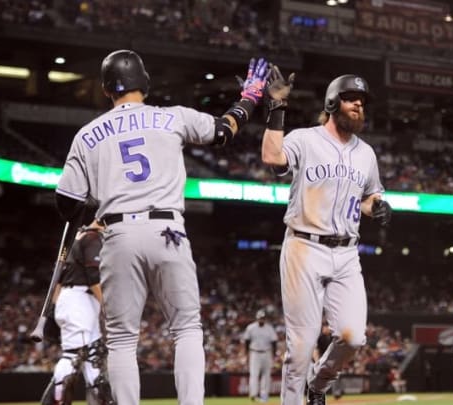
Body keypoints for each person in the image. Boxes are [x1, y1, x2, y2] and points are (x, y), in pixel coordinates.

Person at [55, 49, 270, 405]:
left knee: (122, 339)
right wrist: (248, 99)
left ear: (107, 88)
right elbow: (222, 131)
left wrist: (91, 211)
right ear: (145, 82)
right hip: (167, 230)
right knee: (186, 329)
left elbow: (67, 203)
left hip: (118, 234)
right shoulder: (172, 117)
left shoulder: (87, 134)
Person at [261, 68, 392, 405]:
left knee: (353, 337)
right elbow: (273, 159)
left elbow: (367, 197)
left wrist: (376, 207)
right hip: (304, 246)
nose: (359, 105)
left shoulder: (366, 154)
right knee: (301, 345)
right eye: (352, 99)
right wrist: (277, 109)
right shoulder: (306, 139)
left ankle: (317, 385)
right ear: (333, 101)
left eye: (362, 102)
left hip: (347, 253)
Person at [41, 220, 114, 405]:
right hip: (79, 301)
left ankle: (100, 401)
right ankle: (54, 402)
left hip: (75, 300)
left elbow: (58, 278)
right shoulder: (92, 238)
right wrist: (108, 307)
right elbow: (93, 278)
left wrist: (52, 310)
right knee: (74, 356)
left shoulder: (78, 237)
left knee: (94, 356)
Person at [243, 309, 279, 402]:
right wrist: (246, 354)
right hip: (254, 353)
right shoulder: (251, 327)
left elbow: (274, 342)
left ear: (265, 318)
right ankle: (253, 395)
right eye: (260, 318)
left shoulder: (269, 328)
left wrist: (274, 355)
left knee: (266, 375)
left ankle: (264, 395)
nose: (261, 320)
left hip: (267, 353)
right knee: (254, 374)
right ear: (257, 318)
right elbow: (246, 341)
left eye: (263, 318)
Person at [312, 321, 342, 400]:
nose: (326, 329)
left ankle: (337, 392)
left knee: (335, 374)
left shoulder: (333, 337)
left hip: (331, 358)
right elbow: (316, 350)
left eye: (328, 327)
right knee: (318, 376)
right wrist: (317, 361)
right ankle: (317, 394)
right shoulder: (320, 337)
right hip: (321, 358)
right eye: (325, 327)